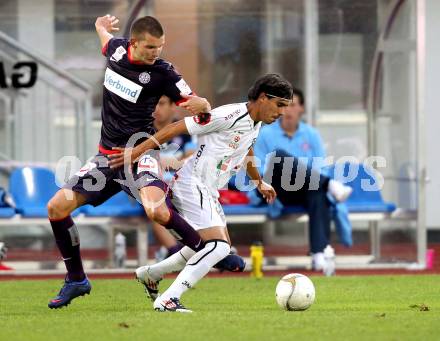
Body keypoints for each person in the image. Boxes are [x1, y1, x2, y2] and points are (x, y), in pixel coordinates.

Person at [46, 14, 219, 309]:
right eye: (151, 47)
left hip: (141, 155)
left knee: (156, 211)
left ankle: (210, 252)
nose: (157, 53)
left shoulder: (164, 73)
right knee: (56, 208)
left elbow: (198, 107)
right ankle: (76, 279)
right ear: (134, 43)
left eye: (160, 47)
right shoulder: (115, 50)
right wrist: (99, 24)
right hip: (108, 158)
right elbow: (104, 36)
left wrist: (203, 107)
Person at [109, 73, 293, 312]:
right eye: (279, 105)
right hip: (192, 182)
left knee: (211, 246)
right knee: (220, 248)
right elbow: (177, 127)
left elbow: (247, 149)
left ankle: (151, 273)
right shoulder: (229, 115)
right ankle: (169, 299)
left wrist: (259, 182)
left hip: (207, 188)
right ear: (262, 97)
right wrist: (136, 151)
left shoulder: (255, 123)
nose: (281, 113)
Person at [251, 87, 352, 270]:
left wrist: (302, 175)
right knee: (279, 156)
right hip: (270, 189)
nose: (288, 110)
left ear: (302, 109)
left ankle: (319, 254)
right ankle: (331, 185)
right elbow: (258, 169)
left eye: (293, 105)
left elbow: (320, 166)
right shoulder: (265, 134)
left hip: (301, 189)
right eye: (283, 105)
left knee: (317, 191)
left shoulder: (311, 134)